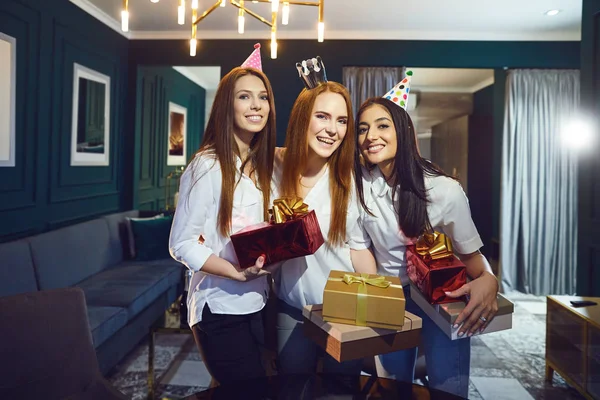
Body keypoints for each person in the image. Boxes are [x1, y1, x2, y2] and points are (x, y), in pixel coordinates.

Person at [353, 74, 499, 397]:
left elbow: (474, 260)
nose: (370, 136)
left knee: (450, 387)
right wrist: (377, 294)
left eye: (382, 126)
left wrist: (489, 279)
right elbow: (360, 246)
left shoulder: (444, 191)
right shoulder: (360, 186)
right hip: (390, 295)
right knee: (392, 389)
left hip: (440, 297)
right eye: (363, 128)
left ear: (404, 132)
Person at [169, 45, 278, 385]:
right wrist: (234, 272)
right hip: (218, 309)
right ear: (226, 106)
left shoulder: (263, 169)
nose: (256, 105)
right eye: (244, 97)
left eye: (262, 97)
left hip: (260, 303)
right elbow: (181, 244)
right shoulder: (207, 166)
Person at [273, 57, 375, 375]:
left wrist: (374, 301)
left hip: (344, 310)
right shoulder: (273, 166)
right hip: (290, 308)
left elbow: (358, 249)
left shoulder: (351, 180)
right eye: (323, 116)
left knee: (341, 391)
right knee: (290, 390)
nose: (333, 129)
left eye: (342, 120)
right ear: (304, 118)